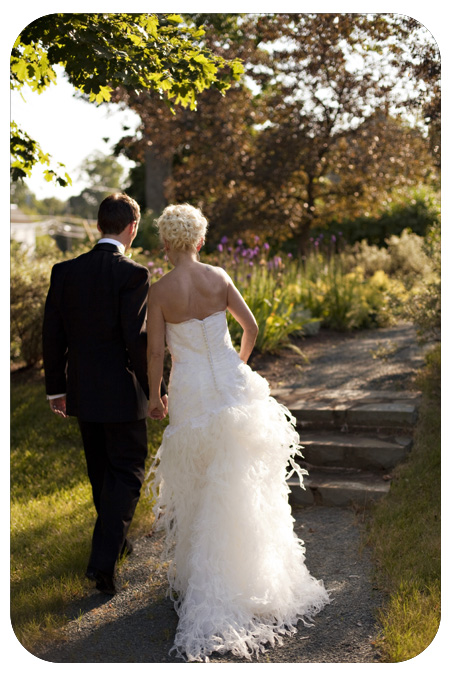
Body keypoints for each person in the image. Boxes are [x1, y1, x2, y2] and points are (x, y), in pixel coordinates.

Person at [146, 203, 330, 662]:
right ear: (200, 240)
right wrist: (238, 365)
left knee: (204, 481)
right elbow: (250, 326)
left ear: (166, 243)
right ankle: (251, 577)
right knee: (243, 480)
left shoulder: (160, 291)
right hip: (229, 385)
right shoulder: (220, 277)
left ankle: (209, 582)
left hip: (188, 390)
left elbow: (154, 355)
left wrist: (155, 396)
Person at [42, 193, 167, 596]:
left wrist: (56, 389)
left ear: (98, 226)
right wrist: (155, 391)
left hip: (81, 390)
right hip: (121, 392)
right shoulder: (132, 274)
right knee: (127, 473)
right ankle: (102, 563)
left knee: (100, 472)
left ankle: (116, 543)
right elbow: (136, 339)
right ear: (132, 228)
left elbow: (52, 336)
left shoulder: (64, 271)